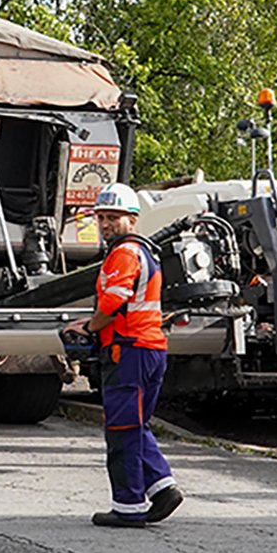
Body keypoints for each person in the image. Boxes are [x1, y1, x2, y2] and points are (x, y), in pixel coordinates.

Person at [66, 182, 181, 528]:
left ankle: (128, 506)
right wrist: (94, 321)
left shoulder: (124, 253)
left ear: (132, 219)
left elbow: (113, 302)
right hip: (147, 348)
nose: (105, 224)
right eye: (101, 218)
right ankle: (163, 487)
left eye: (113, 217)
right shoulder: (145, 252)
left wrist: (90, 328)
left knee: (122, 428)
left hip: (127, 350)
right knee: (136, 424)